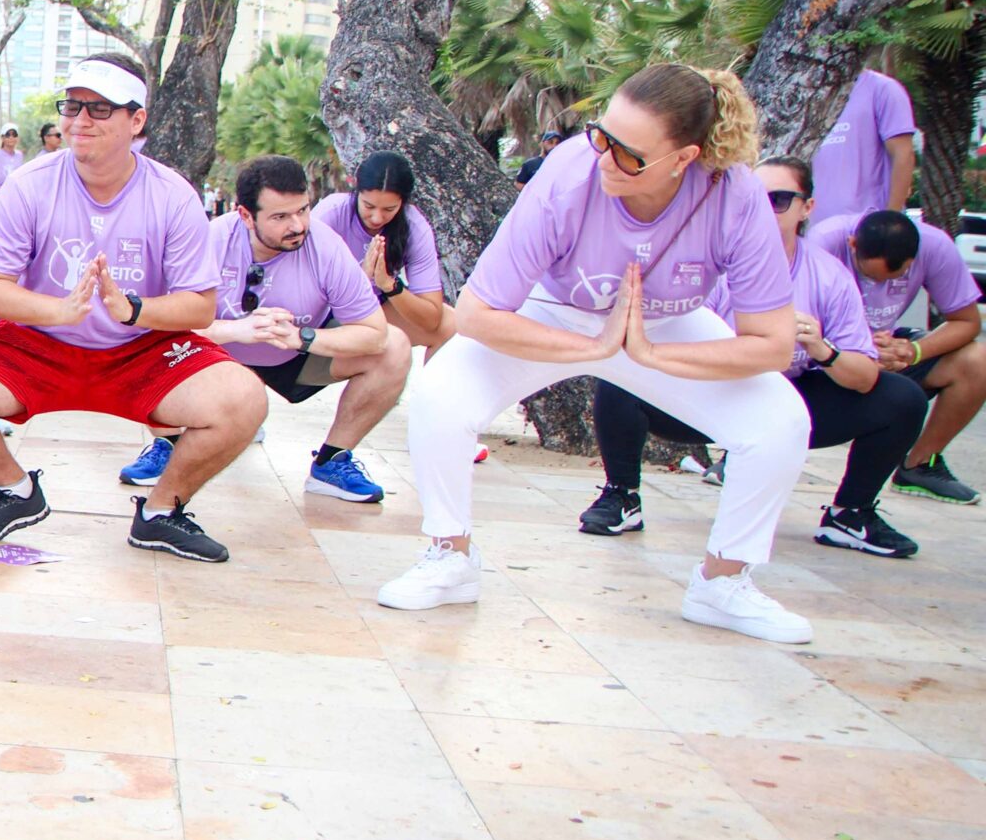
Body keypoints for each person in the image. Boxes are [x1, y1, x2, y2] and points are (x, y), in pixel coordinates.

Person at [375, 63, 815, 644]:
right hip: (554, 311)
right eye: (601, 136)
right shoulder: (567, 173)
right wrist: (594, 347)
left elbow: (772, 344)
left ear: (683, 158)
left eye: (628, 154)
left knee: (780, 421)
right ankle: (450, 555)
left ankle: (723, 581)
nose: (605, 158)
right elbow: (479, 315)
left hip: (665, 325)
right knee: (440, 392)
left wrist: (650, 357)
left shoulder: (734, 194)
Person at [0, 54, 265, 563]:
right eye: (73, 106)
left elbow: (200, 305)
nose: (79, 121)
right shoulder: (30, 184)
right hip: (38, 344)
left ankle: (162, 514)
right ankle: (15, 492)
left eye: (99, 109)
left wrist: (134, 310)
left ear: (136, 120)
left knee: (243, 399)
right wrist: (59, 312)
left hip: (142, 349)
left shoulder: (172, 195)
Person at [582, 156, 926, 559]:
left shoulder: (830, 276)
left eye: (778, 199)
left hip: (791, 399)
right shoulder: (706, 260)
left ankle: (851, 513)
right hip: (708, 393)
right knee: (622, 374)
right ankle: (622, 495)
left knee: (901, 398)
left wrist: (822, 349)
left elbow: (866, 377)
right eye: (754, 197)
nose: (763, 208)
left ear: (807, 208)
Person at [121, 155, 407, 504]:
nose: (298, 225)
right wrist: (238, 330)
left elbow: (373, 332)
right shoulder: (209, 240)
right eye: (280, 217)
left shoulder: (326, 246)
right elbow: (160, 321)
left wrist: (303, 338)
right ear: (245, 215)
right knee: (144, 336)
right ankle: (168, 444)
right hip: (214, 359)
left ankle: (332, 463)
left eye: (302, 210)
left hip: (295, 357)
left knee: (394, 345)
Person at [805, 208, 985, 504]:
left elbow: (967, 322)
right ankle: (741, 454)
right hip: (829, 353)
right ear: (853, 245)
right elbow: (797, 318)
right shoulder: (824, 241)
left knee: (977, 359)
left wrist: (912, 352)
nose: (878, 285)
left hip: (887, 349)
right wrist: (853, 351)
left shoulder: (936, 246)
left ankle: (920, 466)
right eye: (868, 274)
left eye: (894, 277)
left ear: (914, 260)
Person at [312, 152, 455, 355]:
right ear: (356, 191)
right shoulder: (331, 213)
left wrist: (389, 285)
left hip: (375, 307)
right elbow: (302, 287)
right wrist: (359, 276)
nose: (377, 218)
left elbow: (431, 318)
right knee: (388, 346)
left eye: (389, 209)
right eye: (368, 206)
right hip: (325, 311)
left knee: (450, 325)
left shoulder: (415, 227)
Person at [808, 69, 917, 226]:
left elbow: (904, 155)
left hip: (868, 230)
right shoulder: (807, 92)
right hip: (813, 232)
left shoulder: (882, 88)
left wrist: (889, 222)